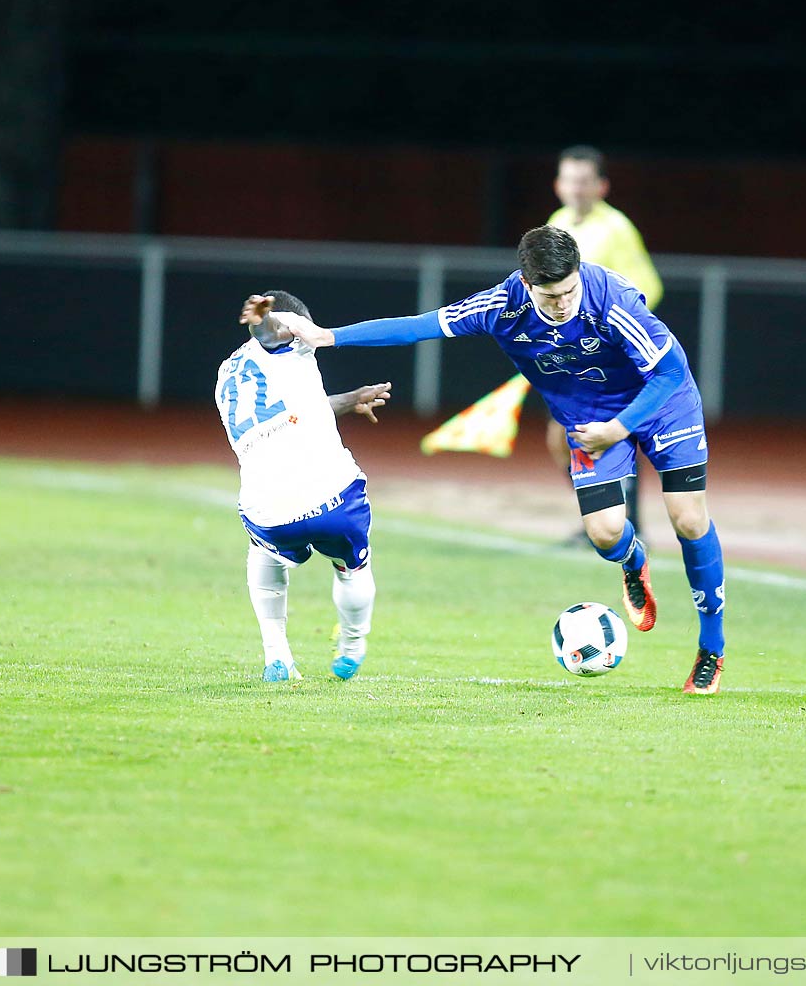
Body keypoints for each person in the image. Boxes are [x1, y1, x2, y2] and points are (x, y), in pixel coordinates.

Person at [275, 227, 728, 695]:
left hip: (663, 404)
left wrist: (620, 428)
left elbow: (671, 370)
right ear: (527, 284)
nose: (563, 304)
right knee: (606, 534)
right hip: (590, 419)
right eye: (551, 296)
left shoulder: (611, 300)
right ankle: (633, 560)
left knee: (689, 519)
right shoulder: (500, 307)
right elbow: (419, 325)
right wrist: (328, 336)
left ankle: (710, 649)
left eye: (571, 290)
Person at [216, 289, 393, 683]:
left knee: (262, 552)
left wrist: (352, 398)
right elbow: (273, 331)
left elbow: (295, 410)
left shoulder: (229, 371)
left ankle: (276, 657)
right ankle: (352, 645)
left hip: (266, 511)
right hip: (330, 495)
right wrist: (266, 318)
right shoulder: (287, 340)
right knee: (352, 568)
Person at [545, 145, 664, 534]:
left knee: (611, 436)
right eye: (570, 180)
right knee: (561, 439)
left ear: (601, 187)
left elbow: (648, 286)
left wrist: (612, 327)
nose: (576, 188)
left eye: (584, 181)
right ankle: (601, 514)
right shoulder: (559, 222)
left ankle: (628, 523)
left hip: (610, 351)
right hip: (571, 353)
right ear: (558, 185)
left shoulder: (616, 228)